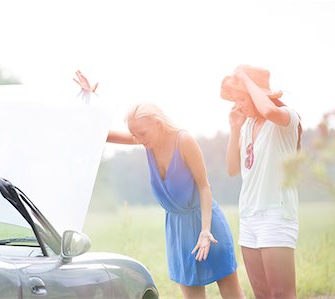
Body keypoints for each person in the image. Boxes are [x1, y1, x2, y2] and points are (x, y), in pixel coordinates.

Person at [74, 70, 245, 299]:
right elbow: (101, 133)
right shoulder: (147, 142)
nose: (140, 140)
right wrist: (90, 100)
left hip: (207, 224)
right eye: (135, 135)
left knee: (232, 294)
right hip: (177, 230)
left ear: (157, 123)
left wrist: (205, 230)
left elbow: (205, 187)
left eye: (142, 133)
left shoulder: (183, 140)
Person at [221, 65, 302, 299]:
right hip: (249, 217)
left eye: (241, 98)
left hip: (276, 215)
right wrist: (234, 129)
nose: (238, 105)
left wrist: (245, 78)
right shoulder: (247, 126)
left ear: (257, 94)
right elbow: (232, 169)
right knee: (261, 293)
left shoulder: (285, 118)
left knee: (281, 293)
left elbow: (268, 110)